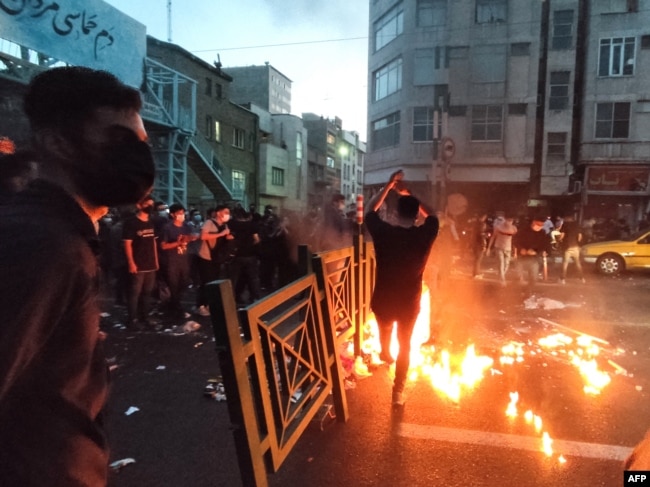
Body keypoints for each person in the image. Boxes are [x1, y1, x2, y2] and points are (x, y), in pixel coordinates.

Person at [0, 66, 154, 486]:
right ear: (57, 143)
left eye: (142, 143)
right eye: (119, 141)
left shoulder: (66, 232)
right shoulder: (41, 244)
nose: (138, 157)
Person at [365, 170, 439, 407]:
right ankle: (398, 392)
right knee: (405, 344)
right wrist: (410, 192)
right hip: (409, 302)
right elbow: (434, 214)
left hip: (383, 300)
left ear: (395, 213)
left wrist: (389, 186)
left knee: (385, 329)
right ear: (417, 215)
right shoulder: (424, 235)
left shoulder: (384, 233)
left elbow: (369, 211)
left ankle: (385, 351)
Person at [123, 195, 160, 329]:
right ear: (139, 205)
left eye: (151, 204)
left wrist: (156, 261)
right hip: (138, 265)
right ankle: (132, 319)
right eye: (147, 204)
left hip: (150, 264)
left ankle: (145, 316)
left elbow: (153, 243)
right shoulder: (131, 223)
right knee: (134, 293)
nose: (150, 206)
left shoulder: (151, 222)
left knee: (147, 293)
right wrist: (131, 262)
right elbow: (127, 244)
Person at [160, 203, 198, 319]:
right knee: (173, 285)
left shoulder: (186, 226)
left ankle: (172, 306)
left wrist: (192, 238)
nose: (182, 215)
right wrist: (178, 243)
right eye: (179, 213)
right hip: (172, 261)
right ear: (172, 214)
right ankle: (176, 309)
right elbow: (163, 246)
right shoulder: (167, 227)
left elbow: (191, 236)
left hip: (184, 259)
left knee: (184, 283)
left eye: (183, 213)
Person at [194, 205, 233, 316]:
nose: (227, 214)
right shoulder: (209, 223)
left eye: (228, 212)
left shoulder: (224, 225)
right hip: (206, 256)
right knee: (205, 281)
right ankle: (201, 305)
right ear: (218, 213)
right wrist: (221, 234)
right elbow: (202, 236)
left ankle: (209, 305)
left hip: (216, 257)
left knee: (213, 281)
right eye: (225, 212)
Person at [513, 216, 552, 292]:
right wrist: (521, 249)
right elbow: (515, 241)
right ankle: (515, 292)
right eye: (539, 224)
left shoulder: (542, 233)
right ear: (533, 222)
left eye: (542, 225)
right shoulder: (523, 231)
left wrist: (538, 252)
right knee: (519, 278)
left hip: (534, 259)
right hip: (521, 258)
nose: (540, 227)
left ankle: (528, 292)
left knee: (533, 278)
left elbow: (544, 245)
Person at [487, 213, 518, 286]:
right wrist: (488, 248)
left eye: (511, 220)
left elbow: (516, 241)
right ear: (505, 220)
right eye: (508, 220)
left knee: (506, 264)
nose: (509, 222)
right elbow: (493, 237)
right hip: (498, 247)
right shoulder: (498, 227)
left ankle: (501, 276)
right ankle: (502, 280)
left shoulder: (514, 229)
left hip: (508, 248)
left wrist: (515, 251)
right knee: (501, 263)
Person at [558, 214, 585, 284]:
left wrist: (559, 239)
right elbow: (580, 237)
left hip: (567, 247)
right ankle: (582, 278)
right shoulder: (577, 225)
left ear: (567, 219)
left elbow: (562, 236)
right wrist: (578, 244)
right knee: (578, 263)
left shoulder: (565, 225)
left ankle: (563, 279)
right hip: (576, 247)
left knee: (565, 263)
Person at [471, 212, 489, 279]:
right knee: (478, 259)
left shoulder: (474, 224)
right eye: (485, 217)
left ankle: (475, 273)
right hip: (479, 244)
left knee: (476, 259)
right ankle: (476, 274)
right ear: (483, 217)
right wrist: (484, 245)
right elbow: (481, 235)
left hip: (474, 243)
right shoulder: (482, 224)